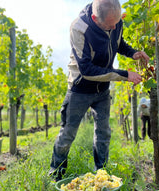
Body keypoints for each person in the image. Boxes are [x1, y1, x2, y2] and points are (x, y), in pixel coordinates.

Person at [49, 0, 149, 181]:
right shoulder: (79, 28)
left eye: (116, 24)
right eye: (109, 25)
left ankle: (101, 174)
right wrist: (124, 74)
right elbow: (86, 70)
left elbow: (118, 43)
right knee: (68, 133)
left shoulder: (115, 20)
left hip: (102, 89)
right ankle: (56, 173)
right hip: (79, 88)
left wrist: (132, 53)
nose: (114, 27)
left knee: (103, 133)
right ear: (95, 19)